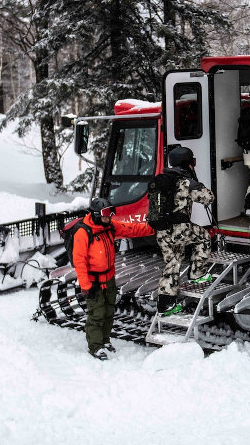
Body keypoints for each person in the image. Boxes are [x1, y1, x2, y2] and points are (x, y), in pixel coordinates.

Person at [72, 197, 154, 360]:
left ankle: (105, 340)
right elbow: (79, 261)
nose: (109, 217)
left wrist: (152, 228)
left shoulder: (109, 227)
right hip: (93, 281)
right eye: (105, 214)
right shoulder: (84, 232)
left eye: (110, 213)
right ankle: (95, 346)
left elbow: (131, 229)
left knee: (109, 311)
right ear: (96, 214)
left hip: (109, 278)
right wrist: (85, 285)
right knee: (97, 313)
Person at [149, 146, 216, 316]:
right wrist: (197, 184)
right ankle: (198, 274)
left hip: (162, 232)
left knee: (172, 263)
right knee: (204, 237)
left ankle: (165, 304)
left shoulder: (162, 180)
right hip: (179, 229)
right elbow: (209, 198)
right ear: (186, 163)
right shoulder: (185, 182)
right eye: (192, 162)